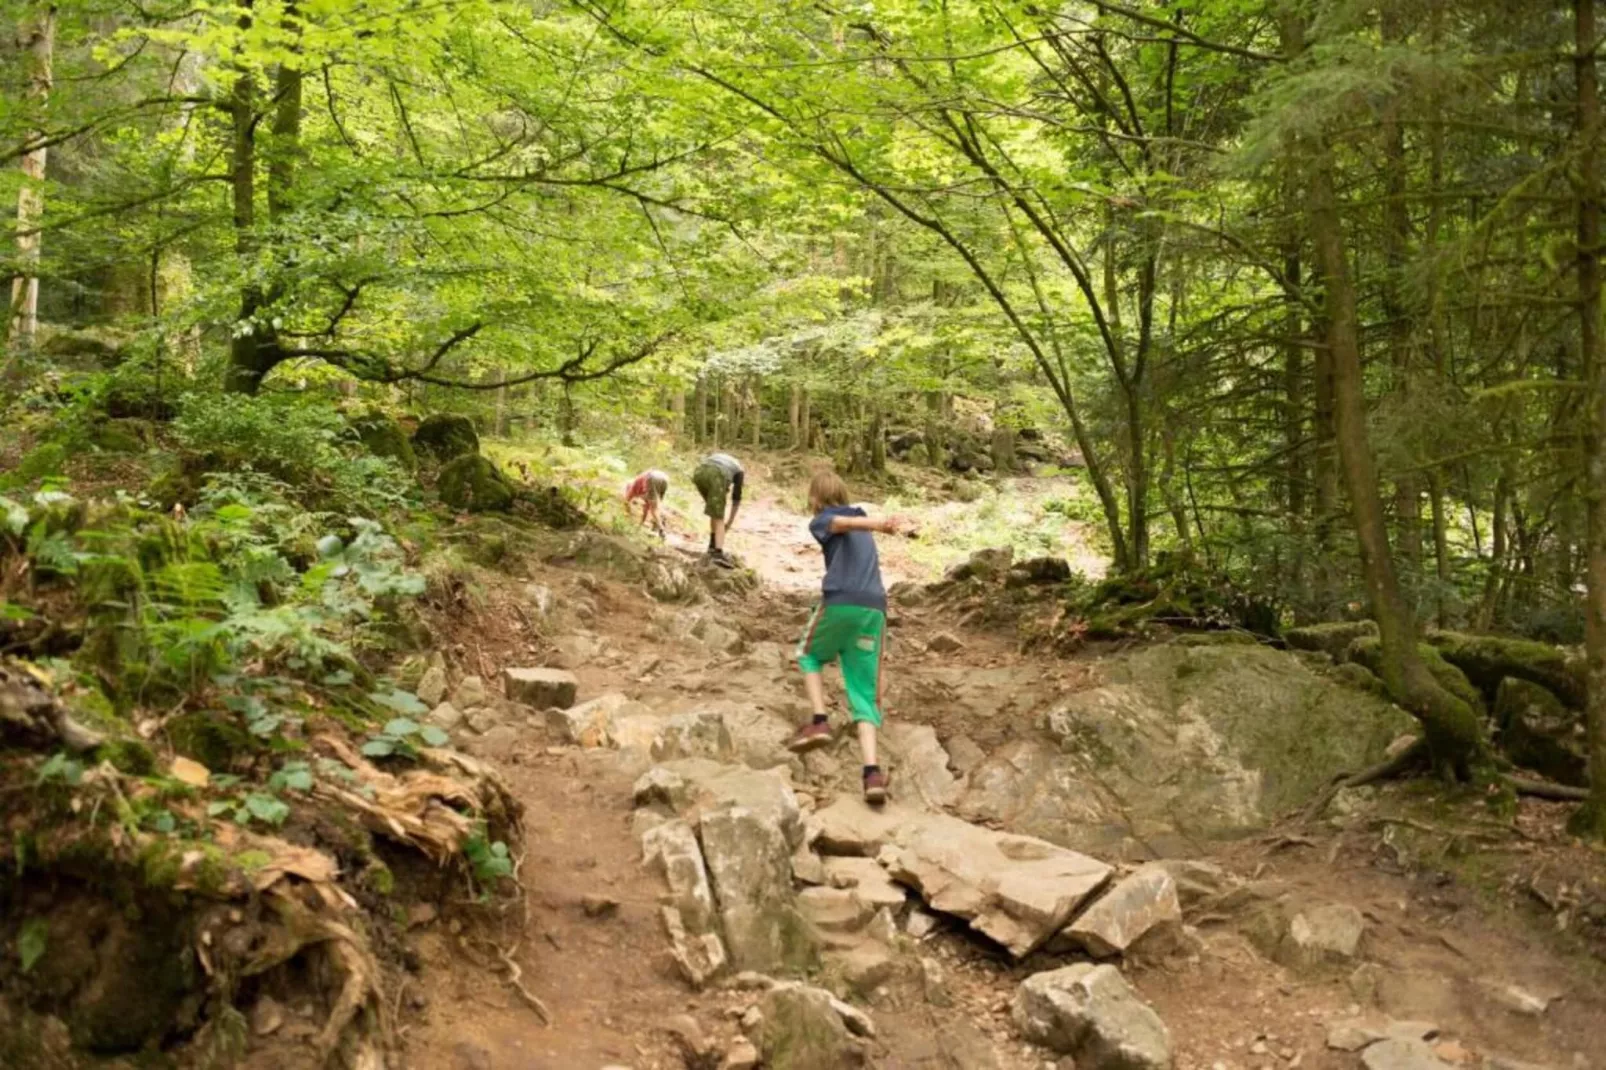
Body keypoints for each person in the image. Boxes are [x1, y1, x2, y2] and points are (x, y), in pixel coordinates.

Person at [786, 469, 912, 804]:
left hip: (842, 602)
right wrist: (878, 524)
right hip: (873, 611)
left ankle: (819, 720)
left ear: (815, 498)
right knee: (863, 694)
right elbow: (851, 525)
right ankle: (872, 774)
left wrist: (880, 524)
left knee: (808, 654)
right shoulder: (861, 522)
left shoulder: (824, 520)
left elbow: (839, 525)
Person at [690, 452, 744, 565]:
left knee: (715, 513)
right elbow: (736, 498)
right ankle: (718, 553)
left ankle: (712, 546)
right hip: (716, 475)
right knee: (719, 517)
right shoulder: (739, 470)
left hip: (699, 473)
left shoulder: (721, 459)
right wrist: (729, 522)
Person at [624, 468, 669, 539]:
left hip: (652, 477)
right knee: (657, 504)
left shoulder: (632, 486)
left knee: (653, 508)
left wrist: (628, 516)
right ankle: (658, 524)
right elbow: (646, 509)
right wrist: (641, 524)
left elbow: (626, 501)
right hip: (664, 477)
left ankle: (661, 529)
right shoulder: (642, 486)